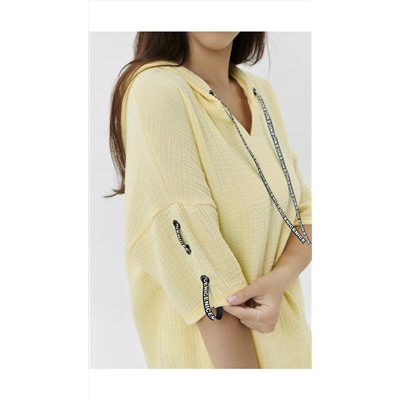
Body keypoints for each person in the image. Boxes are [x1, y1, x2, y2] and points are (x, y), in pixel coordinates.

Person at [107, 32, 312, 368]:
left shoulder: (260, 93)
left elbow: (305, 212)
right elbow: (199, 267)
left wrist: (279, 280)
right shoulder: (157, 90)